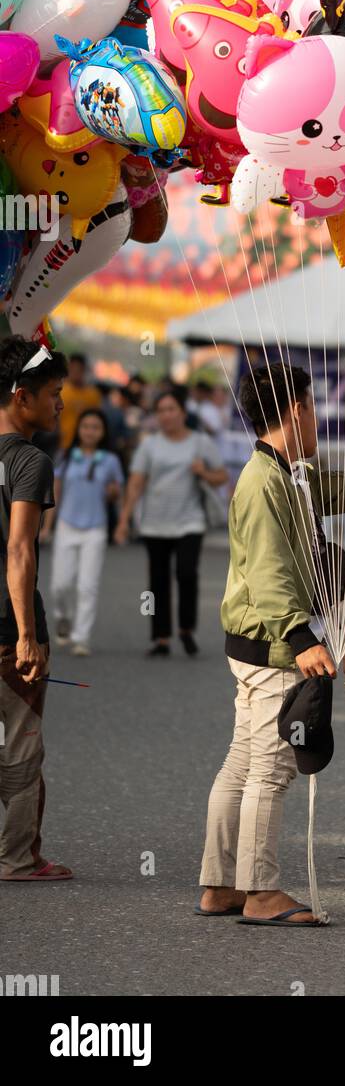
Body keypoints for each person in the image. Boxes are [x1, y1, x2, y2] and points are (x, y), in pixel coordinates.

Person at [198, 362, 345, 926]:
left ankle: (219, 884)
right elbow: (270, 573)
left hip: (255, 642)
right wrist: (300, 638)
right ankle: (262, 892)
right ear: (294, 409)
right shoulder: (264, 480)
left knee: (242, 763)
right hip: (272, 645)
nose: (317, 415)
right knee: (272, 767)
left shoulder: (287, 472)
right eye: (312, 405)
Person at [0, 337, 73, 883]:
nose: (60, 405)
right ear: (20, 397)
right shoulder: (30, 461)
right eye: (53, 394)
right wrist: (27, 634)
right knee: (22, 747)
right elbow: (20, 548)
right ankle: (18, 858)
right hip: (9, 627)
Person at [115, 385, 229, 657]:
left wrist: (204, 472)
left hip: (190, 521)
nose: (166, 415)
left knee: (186, 573)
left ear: (182, 412)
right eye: (161, 411)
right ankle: (161, 637)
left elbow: (222, 476)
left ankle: (186, 629)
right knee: (158, 581)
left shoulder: (200, 442)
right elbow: (136, 483)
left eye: (171, 409)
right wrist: (123, 520)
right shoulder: (149, 445)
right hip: (155, 523)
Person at [42, 408, 124, 657]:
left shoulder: (110, 460)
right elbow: (54, 494)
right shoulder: (66, 456)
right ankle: (62, 616)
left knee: (87, 586)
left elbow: (116, 492)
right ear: (78, 429)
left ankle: (81, 638)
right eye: (86, 426)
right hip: (67, 525)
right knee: (60, 585)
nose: (90, 431)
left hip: (96, 528)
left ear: (103, 432)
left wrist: (112, 493)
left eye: (95, 427)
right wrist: (47, 527)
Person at [57, 352, 102, 453]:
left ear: (84, 370)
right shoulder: (60, 390)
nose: (76, 373)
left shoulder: (93, 395)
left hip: (85, 447)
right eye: (73, 369)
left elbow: (97, 420)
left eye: (79, 369)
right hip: (62, 444)